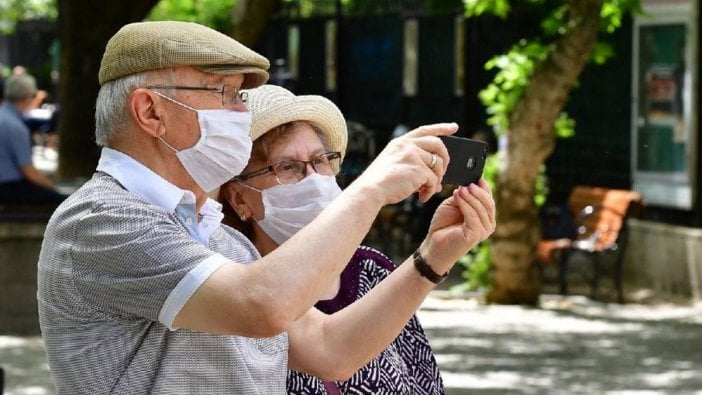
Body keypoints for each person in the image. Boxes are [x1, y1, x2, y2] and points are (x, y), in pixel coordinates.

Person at [37, 21, 496, 394]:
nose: (241, 112)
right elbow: (260, 305)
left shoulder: (221, 239)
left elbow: (328, 349)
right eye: (225, 94)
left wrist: (432, 257)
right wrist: (371, 188)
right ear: (151, 112)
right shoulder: (100, 220)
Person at [218, 84, 444, 394]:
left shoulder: (371, 271)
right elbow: (328, 350)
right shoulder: (232, 282)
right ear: (239, 199)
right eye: (288, 167)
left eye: (321, 160)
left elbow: (424, 383)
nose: (312, 179)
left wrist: (442, 248)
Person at [0, 73, 67, 205]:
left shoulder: (5, 118)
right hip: (8, 187)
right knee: (62, 202)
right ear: (26, 97)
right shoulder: (15, 126)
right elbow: (28, 171)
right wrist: (52, 187)